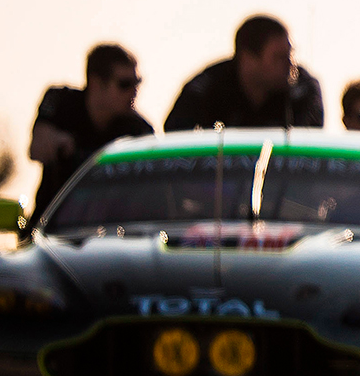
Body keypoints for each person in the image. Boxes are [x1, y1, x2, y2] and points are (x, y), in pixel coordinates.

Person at [28, 43, 153, 221]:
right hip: (52, 227)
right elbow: (37, 150)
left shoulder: (138, 129)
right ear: (96, 84)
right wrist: (58, 142)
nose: (134, 92)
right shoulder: (61, 103)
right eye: (124, 84)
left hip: (117, 230)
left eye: (137, 83)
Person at [161, 15, 324, 132]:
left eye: (290, 55)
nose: (290, 65)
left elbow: (309, 146)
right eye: (279, 58)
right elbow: (175, 136)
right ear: (248, 59)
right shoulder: (207, 88)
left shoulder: (302, 89)